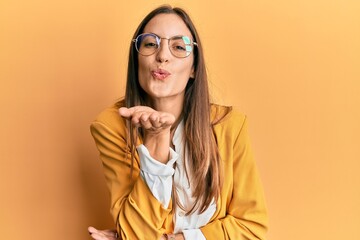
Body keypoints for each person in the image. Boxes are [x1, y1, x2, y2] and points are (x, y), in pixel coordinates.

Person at [88, 5, 268, 240]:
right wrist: (156, 147)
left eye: (178, 46)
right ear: (136, 59)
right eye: (151, 43)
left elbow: (252, 228)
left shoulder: (230, 126)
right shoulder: (111, 127)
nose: (162, 56)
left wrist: (181, 239)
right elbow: (135, 232)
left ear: (193, 68)